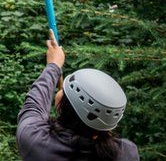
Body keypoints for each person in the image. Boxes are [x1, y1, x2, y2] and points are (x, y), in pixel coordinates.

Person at [16, 31, 139, 160]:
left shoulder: (36, 142)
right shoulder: (126, 153)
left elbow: (34, 104)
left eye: (64, 90)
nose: (62, 90)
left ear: (64, 106)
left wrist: (54, 65)